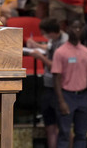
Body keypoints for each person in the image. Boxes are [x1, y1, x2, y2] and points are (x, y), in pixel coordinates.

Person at [51, 20, 87, 148]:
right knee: (64, 133)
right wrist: (61, 101)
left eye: (80, 28)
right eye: (74, 27)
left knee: (82, 134)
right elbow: (56, 78)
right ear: (68, 28)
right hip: (67, 95)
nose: (77, 30)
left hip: (83, 95)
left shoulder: (86, 52)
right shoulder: (61, 52)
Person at [26, 18, 68, 148]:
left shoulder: (64, 44)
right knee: (49, 125)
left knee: (64, 128)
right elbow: (49, 48)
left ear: (50, 32)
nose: (43, 36)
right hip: (48, 86)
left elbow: (56, 67)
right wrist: (36, 45)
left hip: (60, 88)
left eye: (43, 33)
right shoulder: (54, 39)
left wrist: (41, 58)